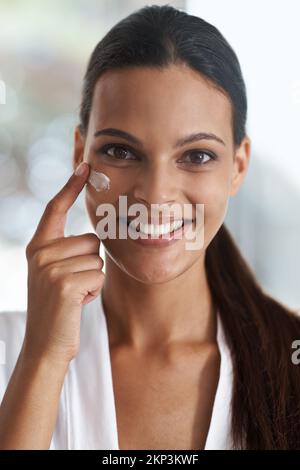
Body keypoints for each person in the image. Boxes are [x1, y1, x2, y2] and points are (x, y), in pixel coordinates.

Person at [1, 4, 300, 450]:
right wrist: (43, 359)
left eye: (197, 156)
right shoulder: (10, 351)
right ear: (79, 152)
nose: (156, 196)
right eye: (121, 151)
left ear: (238, 167)